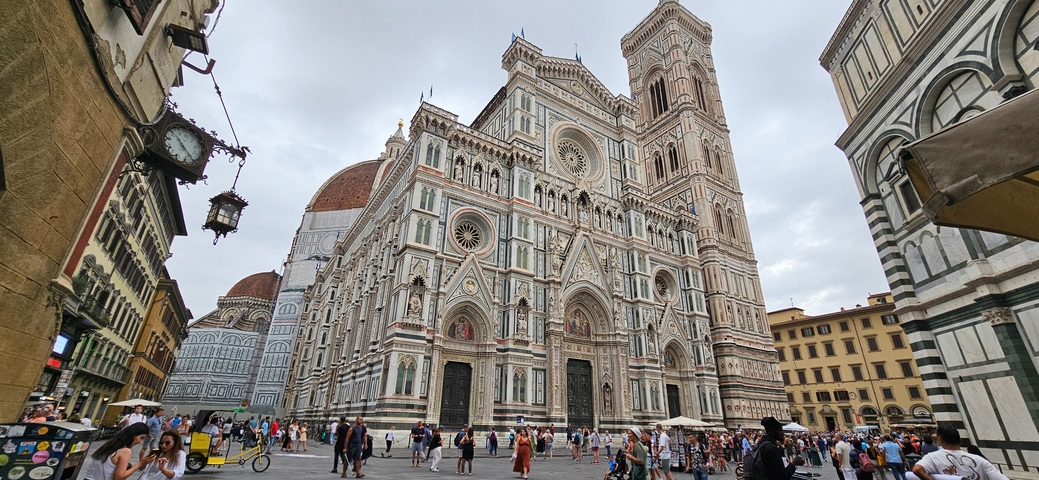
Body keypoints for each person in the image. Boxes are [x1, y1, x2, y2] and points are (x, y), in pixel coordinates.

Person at [913, 425, 1008, 480]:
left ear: (940, 439)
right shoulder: (979, 460)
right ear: (959, 440)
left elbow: (917, 470)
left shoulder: (932, 457)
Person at [85, 423, 153, 480]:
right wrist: (140, 463)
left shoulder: (110, 445)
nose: (140, 442)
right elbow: (118, 478)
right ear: (134, 434)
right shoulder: (125, 451)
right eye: (141, 438)